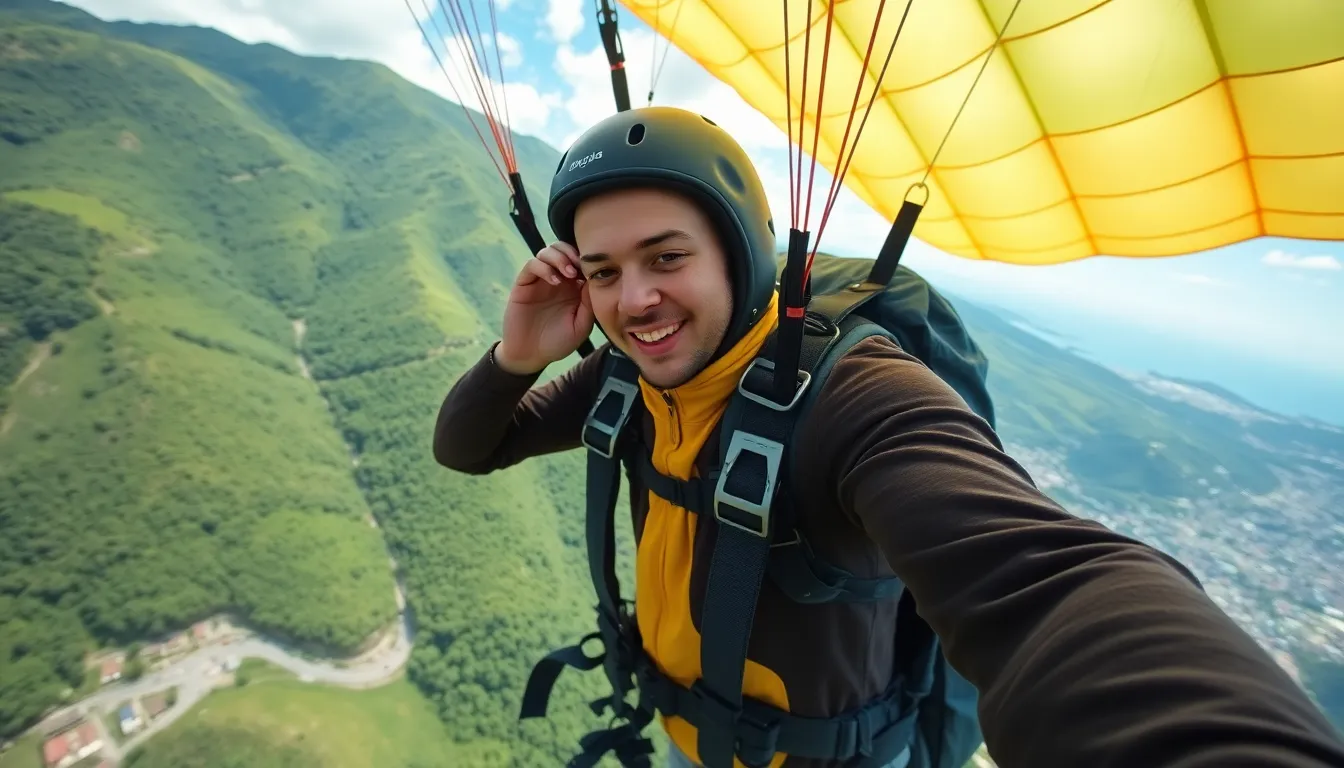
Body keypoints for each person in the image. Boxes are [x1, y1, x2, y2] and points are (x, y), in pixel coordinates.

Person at [433, 106, 1344, 768]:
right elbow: (470, 446)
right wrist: (518, 355)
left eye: (668, 258)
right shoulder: (629, 375)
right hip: (690, 740)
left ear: (738, 257)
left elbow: (1050, 585)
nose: (634, 300)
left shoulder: (853, 398)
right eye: (604, 272)